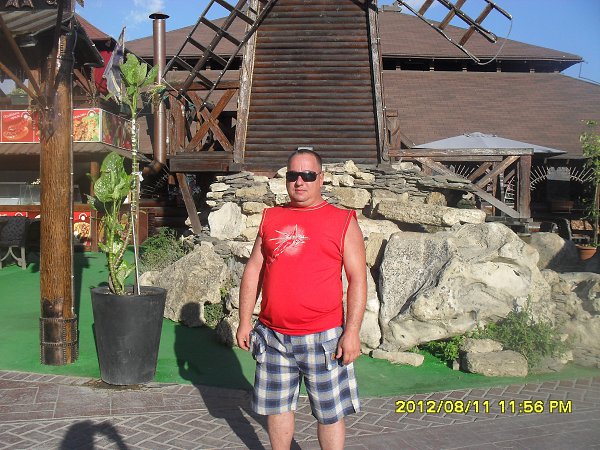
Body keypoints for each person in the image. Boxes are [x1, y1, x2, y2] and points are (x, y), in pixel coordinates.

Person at [236, 148, 367, 450]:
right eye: (293, 175)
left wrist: (352, 332)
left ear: (321, 178)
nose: (299, 182)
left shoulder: (342, 220)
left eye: (307, 175)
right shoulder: (271, 217)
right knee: (277, 408)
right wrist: (244, 321)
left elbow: (358, 279)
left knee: (330, 413)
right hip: (273, 337)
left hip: (325, 338)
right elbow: (254, 269)